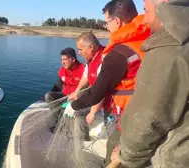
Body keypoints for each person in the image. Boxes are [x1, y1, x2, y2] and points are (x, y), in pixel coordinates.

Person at [63, 0, 151, 165]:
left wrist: (73, 106)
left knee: (113, 149)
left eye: (107, 22)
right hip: (148, 108)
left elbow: (97, 93)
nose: (106, 26)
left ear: (117, 21)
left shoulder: (119, 54)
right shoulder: (148, 41)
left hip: (130, 115)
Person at [110, 0, 189, 168]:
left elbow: (148, 119)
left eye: (146, 11)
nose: (144, 20)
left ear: (164, 4)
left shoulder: (168, 52)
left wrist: (126, 156)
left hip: (168, 159)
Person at [68, 32, 112, 125]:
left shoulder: (105, 59)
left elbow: (101, 90)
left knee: (108, 126)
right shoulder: (91, 58)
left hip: (110, 104)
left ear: (91, 47)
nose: (79, 53)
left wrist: (92, 112)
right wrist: (77, 91)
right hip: (96, 98)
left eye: (80, 49)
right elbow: (86, 75)